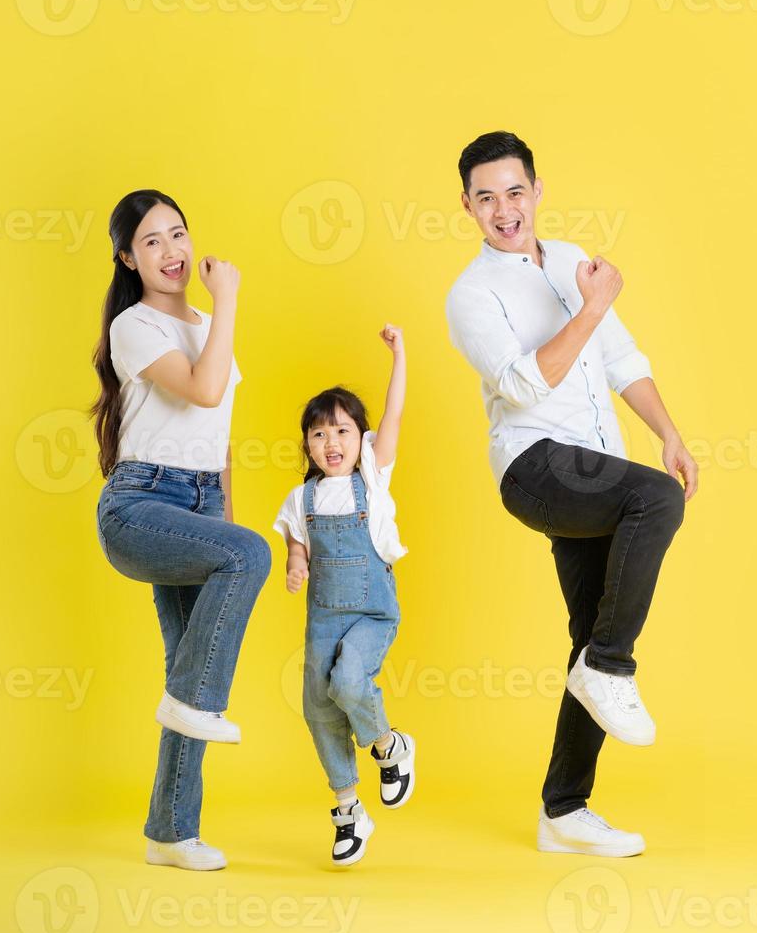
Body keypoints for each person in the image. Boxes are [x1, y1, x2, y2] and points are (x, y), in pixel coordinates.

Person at [445, 132, 698, 858]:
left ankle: (563, 811)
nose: (503, 209)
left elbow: (619, 358)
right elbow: (523, 385)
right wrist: (592, 307)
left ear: (537, 190)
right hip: (534, 466)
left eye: (514, 191)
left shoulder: (568, 260)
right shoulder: (470, 295)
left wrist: (668, 434)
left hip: (595, 465)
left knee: (589, 627)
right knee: (655, 503)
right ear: (466, 205)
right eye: (485, 197)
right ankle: (610, 666)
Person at [92, 189, 271, 871]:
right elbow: (201, 389)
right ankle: (195, 706)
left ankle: (169, 830)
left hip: (198, 506)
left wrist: (222, 520)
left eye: (178, 235)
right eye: (152, 242)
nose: (171, 252)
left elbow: (217, 434)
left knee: (184, 675)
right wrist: (228, 299)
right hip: (139, 506)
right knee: (198, 685)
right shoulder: (136, 326)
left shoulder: (205, 322)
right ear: (128, 259)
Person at [273, 326, 413, 866]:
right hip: (323, 621)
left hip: (372, 613)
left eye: (343, 432)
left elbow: (395, 415)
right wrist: (295, 563)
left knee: (349, 681)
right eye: (318, 435)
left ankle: (389, 746)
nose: (331, 444)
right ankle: (349, 809)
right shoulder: (300, 496)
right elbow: (296, 539)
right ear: (307, 445)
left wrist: (399, 355)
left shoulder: (373, 479)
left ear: (362, 440)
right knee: (319, 707)